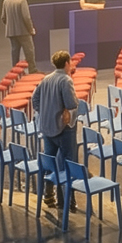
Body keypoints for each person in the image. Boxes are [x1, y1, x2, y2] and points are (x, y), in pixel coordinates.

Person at [32, 51, 80, 211]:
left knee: (49, 161)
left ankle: (48, 194)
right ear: (66, 63)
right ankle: (66, 200)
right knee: (68, 164)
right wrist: (64, 110)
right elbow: (71, 104)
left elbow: (35, 99)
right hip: (63, 129)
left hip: (47, 128)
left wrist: (45, 111)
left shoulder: (46, 79)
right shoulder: (65, 80)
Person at [1, 0, 37, 74]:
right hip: (23, 32)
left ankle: (16, 72)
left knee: (15, 53)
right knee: (29, 51)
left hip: (11, 32)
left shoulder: (6, 1)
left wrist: (10, 26)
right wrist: (31, 29)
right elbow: (26, 17)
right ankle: (32, 70)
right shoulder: (22, 0)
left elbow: (3, 18)